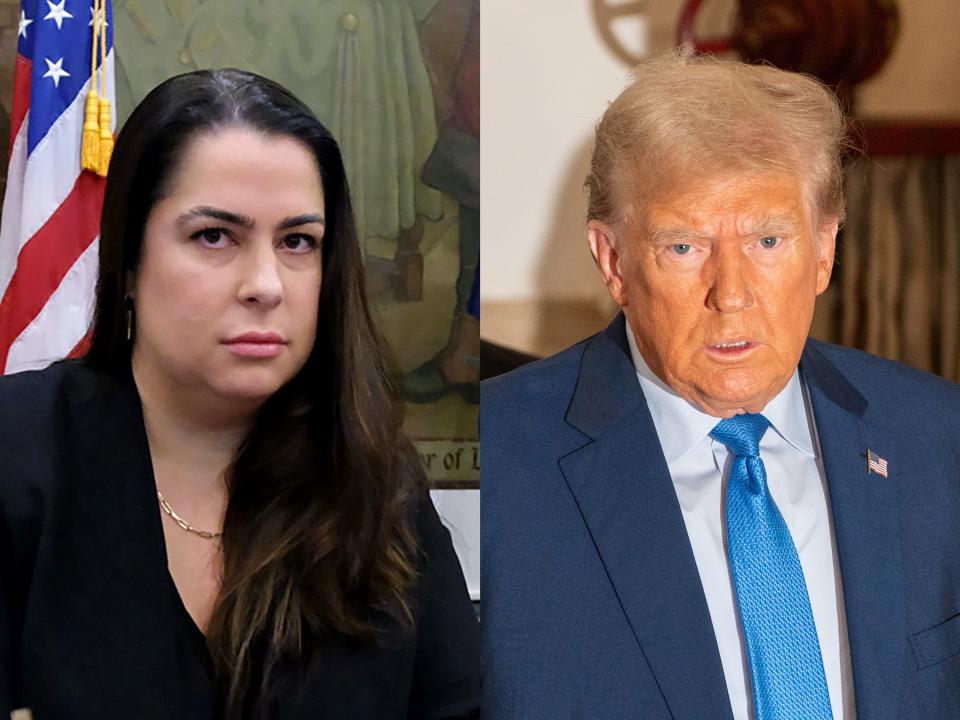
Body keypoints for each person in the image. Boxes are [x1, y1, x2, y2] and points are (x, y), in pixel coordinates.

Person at [482, 51, 960, 719]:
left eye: (768, 241)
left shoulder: (938, 441)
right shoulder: (491, 469)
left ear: (823, 249)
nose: (730, 295)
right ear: (613, 261)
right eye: (684, 247)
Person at [0, 69, 479, 719]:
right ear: (131, 265)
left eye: (297, 242)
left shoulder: (379, 479)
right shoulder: (21, 447)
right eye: (214, 236)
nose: (266, 284)